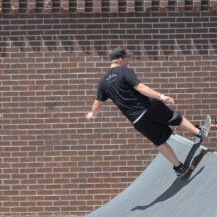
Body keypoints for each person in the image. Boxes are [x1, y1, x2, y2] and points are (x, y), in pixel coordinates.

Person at [86, 46, 209, 177]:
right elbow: (140, 87)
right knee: (174, 117)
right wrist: (162, 96)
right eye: (127, 59)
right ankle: (199, 132)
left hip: (137, 120)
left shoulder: (103, 82)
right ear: (120, 59)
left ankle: (179, 167)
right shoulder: (124, 71)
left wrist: (92, 115)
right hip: (149, 107)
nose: (128, 61)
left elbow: (97, 105)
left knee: (159, 141)